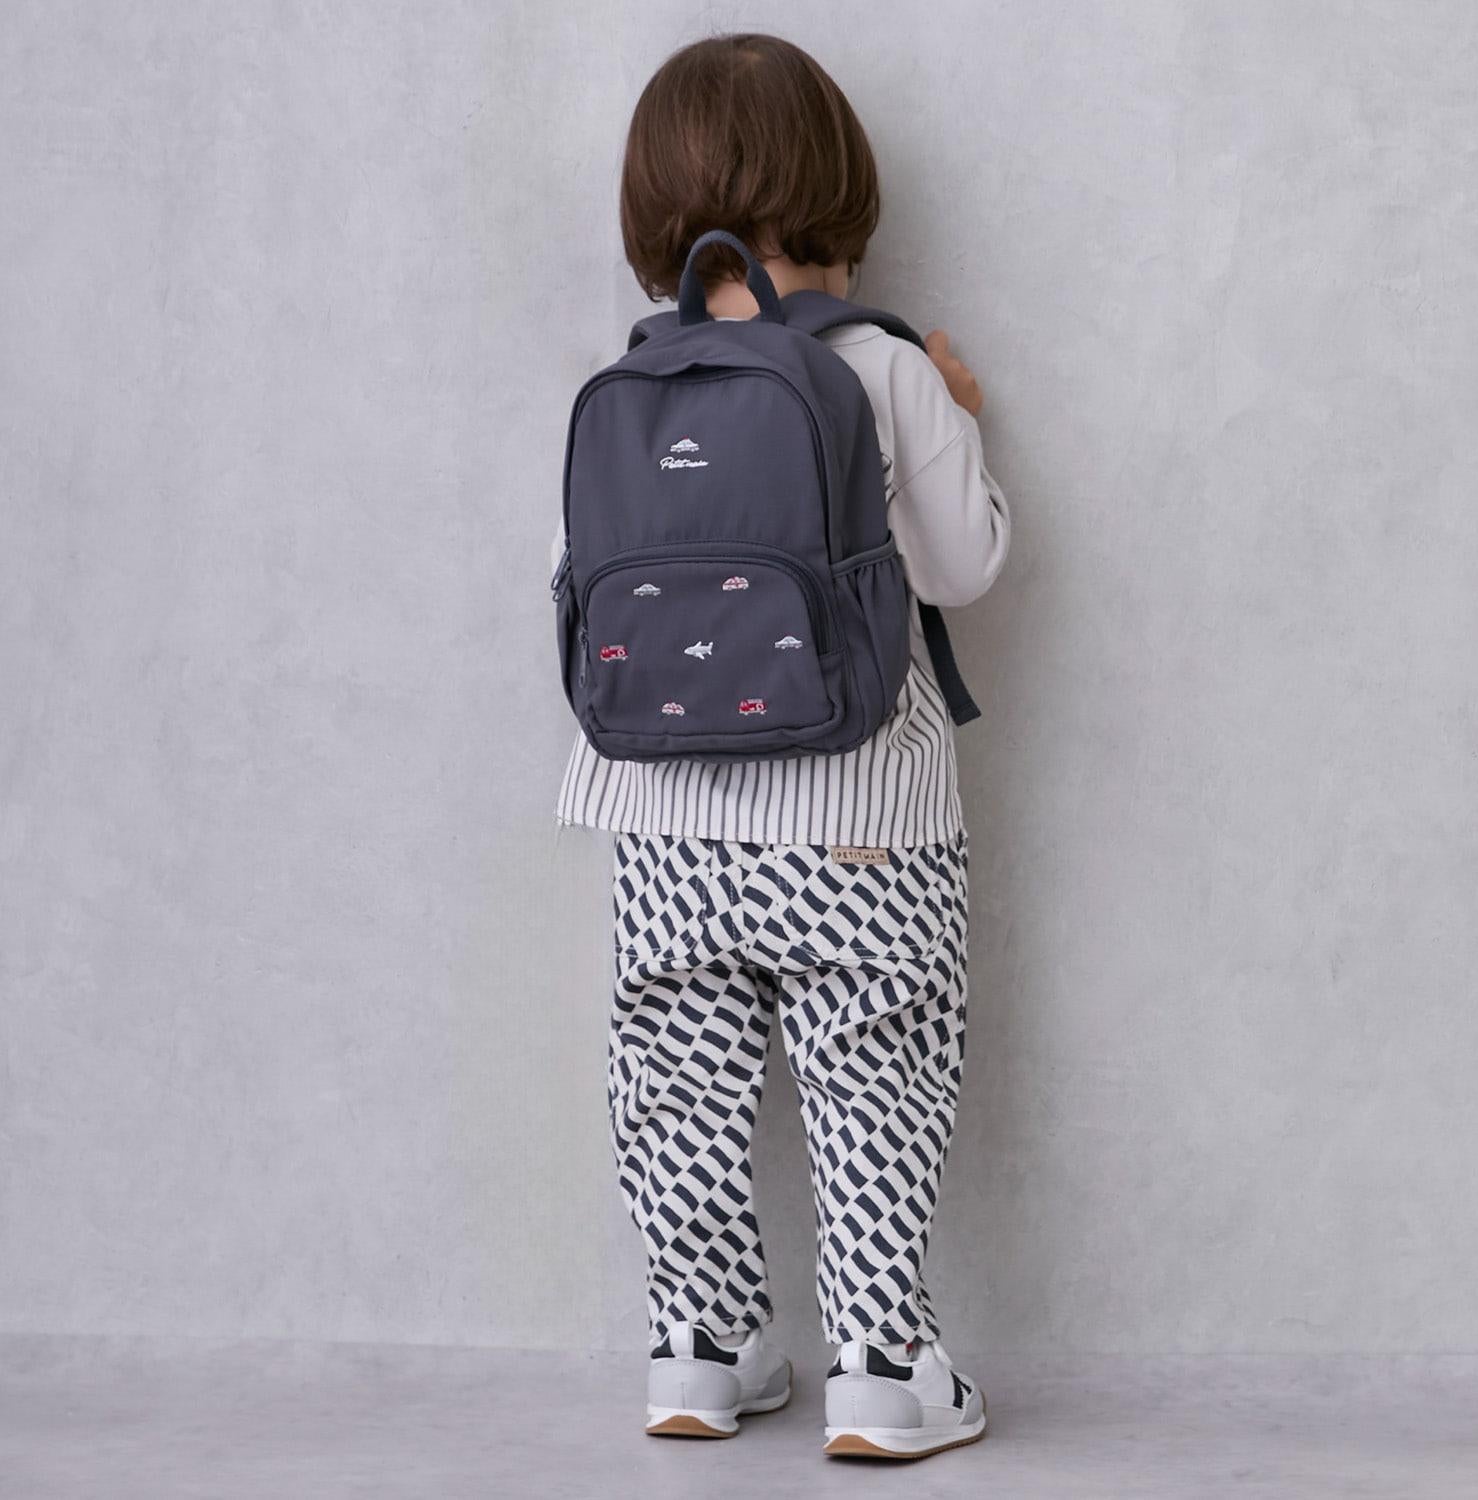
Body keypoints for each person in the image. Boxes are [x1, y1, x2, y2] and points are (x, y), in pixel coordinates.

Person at [550, 32, 1010, 1460]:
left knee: (678, 1082)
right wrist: (962, 421)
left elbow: (577, 582)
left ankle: (699, 1350)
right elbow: (965, 567)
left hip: (664, 825)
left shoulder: (635, 382)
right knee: (871, 1072)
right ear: (838, 188)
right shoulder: (884, 367)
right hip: (861, 812)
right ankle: (881, 1367)